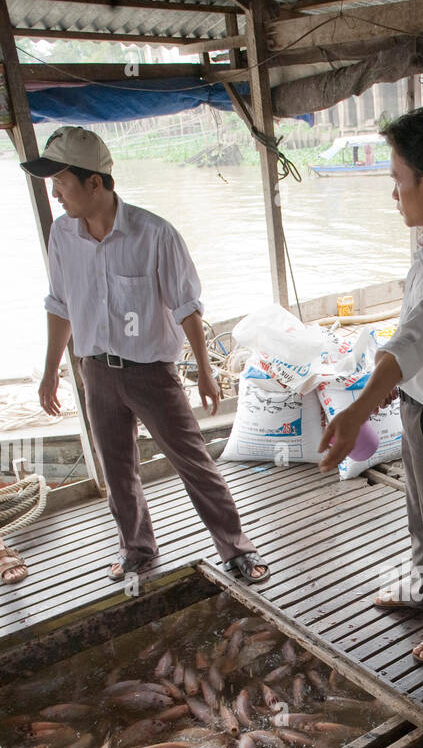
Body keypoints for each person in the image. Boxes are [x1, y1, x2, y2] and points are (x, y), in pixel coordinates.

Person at [22, 126, 268, 586]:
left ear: (94, 182)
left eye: (62, 184)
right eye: (52, 185)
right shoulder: (62, 236)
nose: (56, 195)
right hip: (96, 372)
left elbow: (187, 307)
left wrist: (206, 372)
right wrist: (53, 369)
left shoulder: (155, 234)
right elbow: (59, 305)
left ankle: (237, 548)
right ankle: (136, 548)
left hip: (152, 373)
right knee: (118, 470)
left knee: (192, 461)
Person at [319, 107, 423, 666]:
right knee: (420, 509)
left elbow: (414, 340)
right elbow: (412, 345)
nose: (394, 194)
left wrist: (358, 412)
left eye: (397, 180)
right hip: (420, 406)